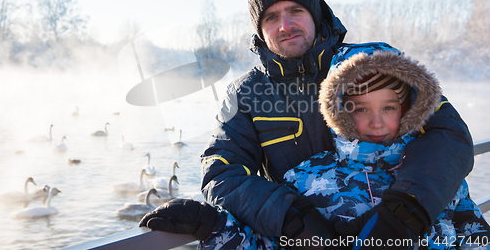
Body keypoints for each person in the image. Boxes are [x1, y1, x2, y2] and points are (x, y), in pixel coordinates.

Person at [140, 0, 474, 246]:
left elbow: (448, 134)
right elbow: (222, 172)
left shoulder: (372, 63)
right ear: (259, 30)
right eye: (271, 17)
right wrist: (293, 221)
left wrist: (406, 210)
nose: (285, 26)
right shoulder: (247, 94)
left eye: (295, 11)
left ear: (314, 13)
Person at [140, 44, 490, 250]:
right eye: (361, 109)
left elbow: (474, 235)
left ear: (408, 109)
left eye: (389, 108)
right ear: (340, 113)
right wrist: (212, 226)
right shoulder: (309, 180)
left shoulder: (437, 177)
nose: (377, 122)